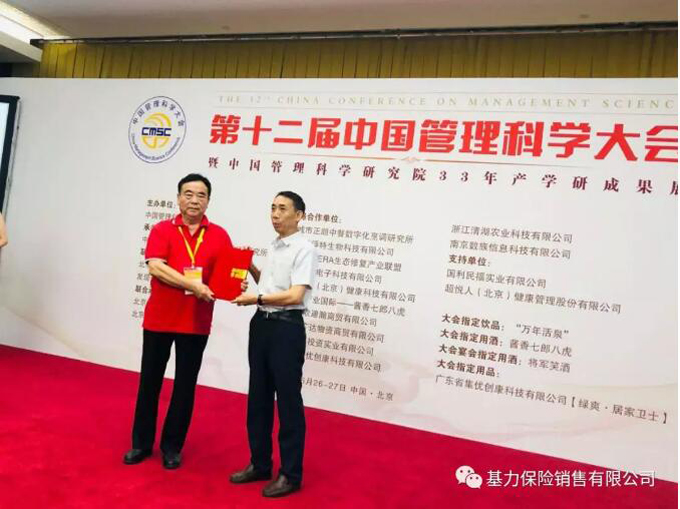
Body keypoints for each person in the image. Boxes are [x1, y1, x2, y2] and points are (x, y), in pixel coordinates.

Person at [123, 173, 232, 469]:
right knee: (150, 382)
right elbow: (156, 268)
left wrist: (236, 282)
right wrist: (193, 285)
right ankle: (141, 444)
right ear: (178, 198)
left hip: (196, 322)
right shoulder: (162, 229)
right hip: (159, 319)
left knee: (185, 386)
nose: (194, 200)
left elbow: (224, 276)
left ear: (208, 201)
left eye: (201, 195)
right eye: (188, 194)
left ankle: (172, 447)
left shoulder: (219, 235)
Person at [230, 191, 318, 498]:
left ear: (299, 215)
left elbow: (294, 295)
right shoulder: (274, 245)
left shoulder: (304, 248)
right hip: (262, 324)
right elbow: (270, 287)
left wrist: (256, 298)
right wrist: (250, 267)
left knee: (288, 401)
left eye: (282, 209)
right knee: (259, 397)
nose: (275, 214)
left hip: (286, 328)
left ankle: (290, 474)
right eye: (272, 208)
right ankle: (260, 464)